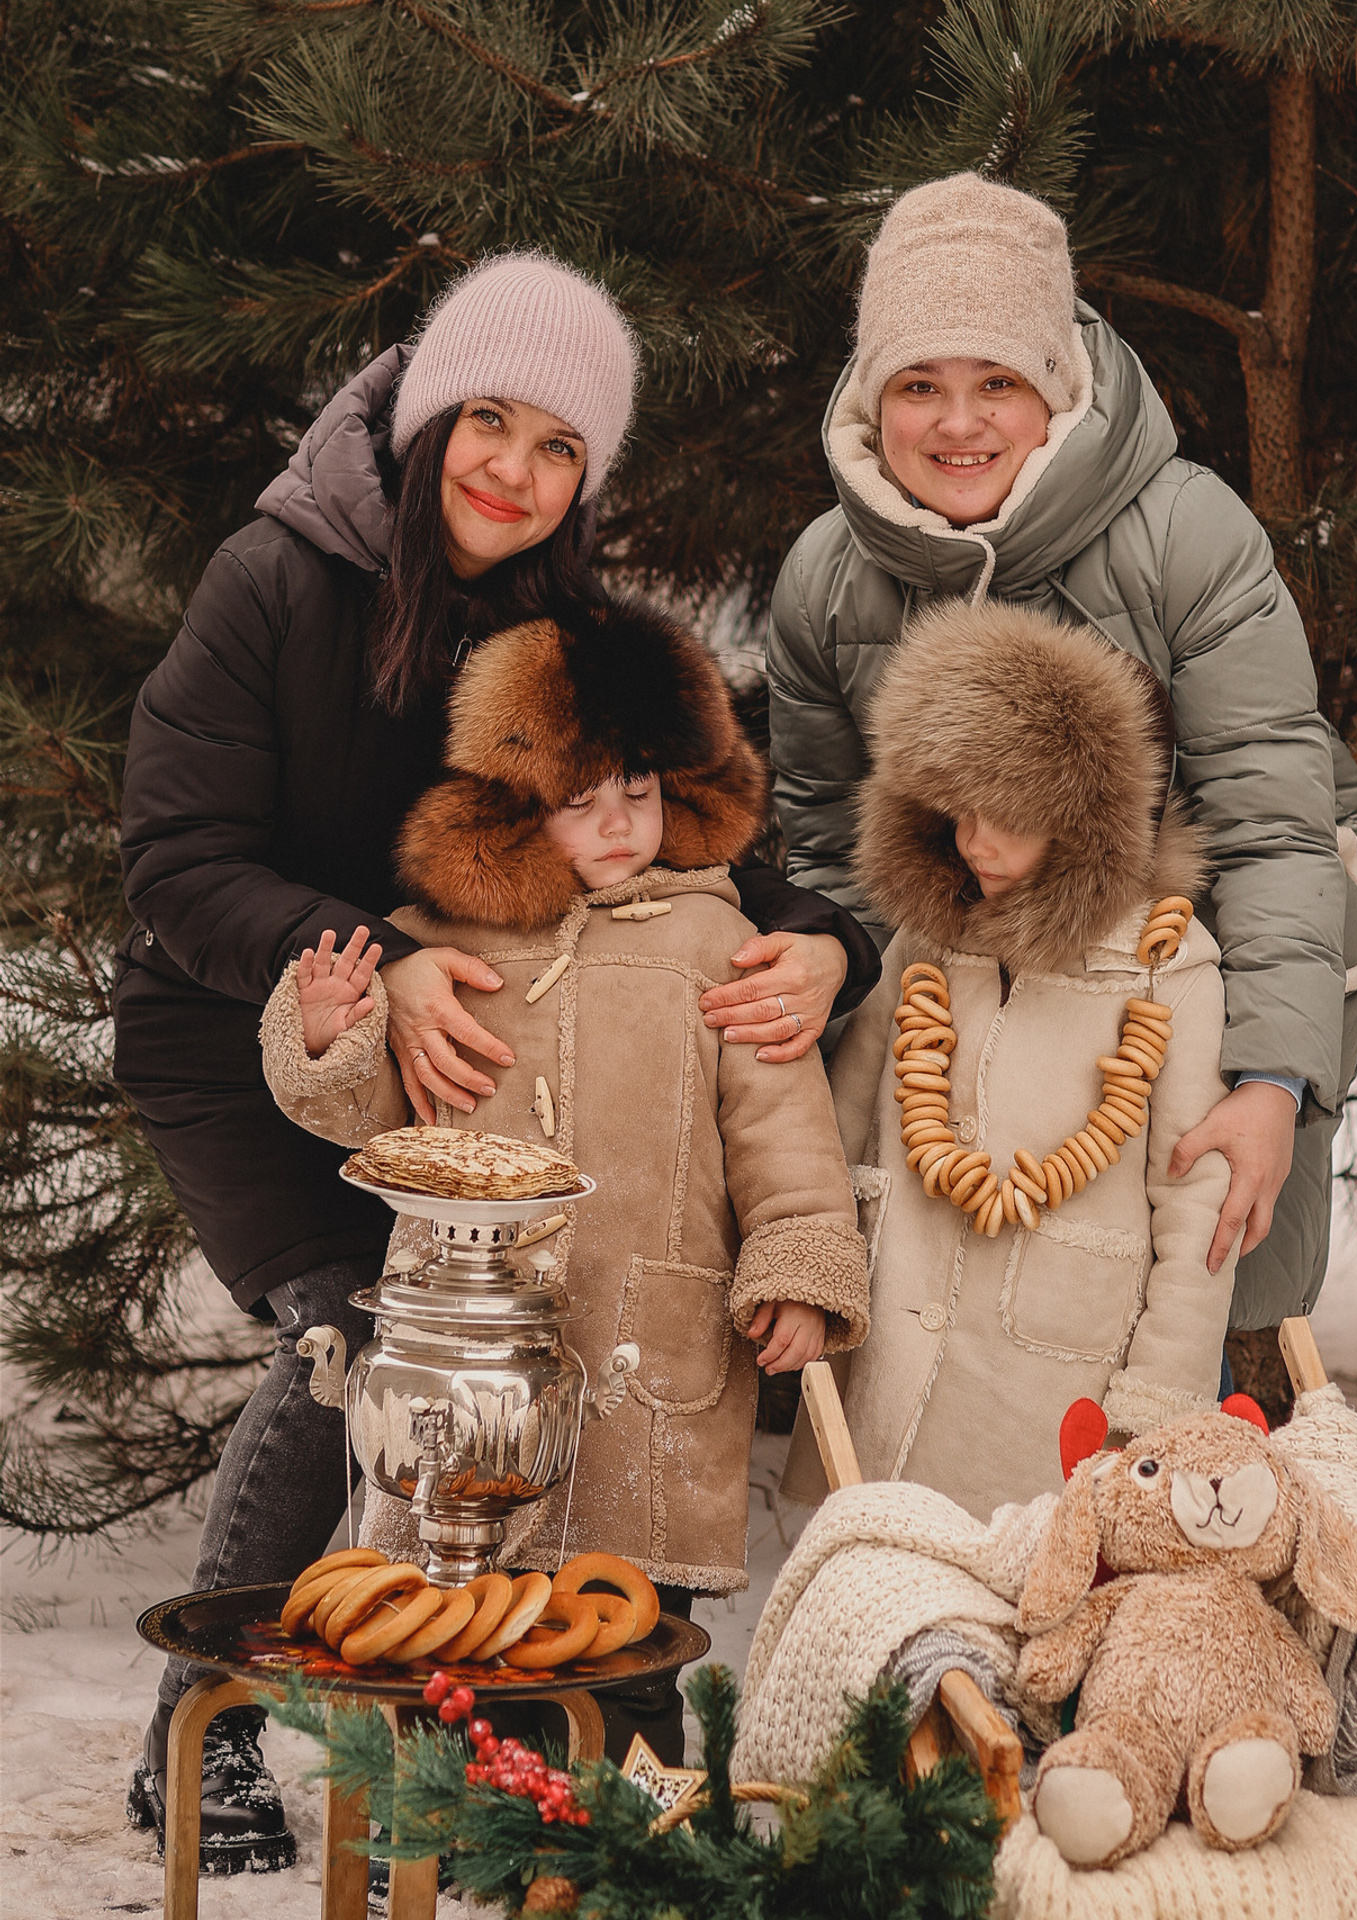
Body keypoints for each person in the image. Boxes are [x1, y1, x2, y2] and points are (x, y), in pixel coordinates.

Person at [114, 252, 878, 1869]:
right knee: (350, 1333)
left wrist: (830, 939)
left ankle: (494, 1717)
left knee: (508, 1359)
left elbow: (684, 815)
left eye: (558, 452)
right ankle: (209, 1729)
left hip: (476, 1032)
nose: (512, 472)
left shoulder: (559, 620)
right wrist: (375, 966)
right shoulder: (274, 577)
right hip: (242, 1011)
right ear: (426, 416)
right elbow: (175, 859)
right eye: (491, 423)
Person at [765, 173, 1357, 1372]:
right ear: (871, 396)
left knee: (1175, 1325)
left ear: (1057, 388)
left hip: (1189, 980)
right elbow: (834, 851)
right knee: (966, 1340)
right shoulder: (827, 581)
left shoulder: (1184, 537)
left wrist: (1272, 1081)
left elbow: (1273, 828)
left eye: (998, 380)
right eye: (920, 385)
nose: (960, 424)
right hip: (975, 995)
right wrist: (827, 972)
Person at [259, 594, 870, 1764]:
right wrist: (337, 1038)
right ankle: (436, 1829)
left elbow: (784, 1134)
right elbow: (373, 1125)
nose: (619, 825)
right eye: (581, 801)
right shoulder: (445, 945)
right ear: (513, 808)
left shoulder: (717, 942)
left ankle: (633, 1845)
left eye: (638, 793)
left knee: (630, 1645)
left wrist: (800, 1264)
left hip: (653, 1350)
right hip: (465, 1359)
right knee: (450, 1627)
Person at [790, 601, 1235, 1517]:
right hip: (887, 1374)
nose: (974, 843)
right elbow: (837, 1136)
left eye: (1009, 816)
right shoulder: (922, 941)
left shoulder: (1166, 969)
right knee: (874, 1604)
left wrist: (1152, 1404)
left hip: (1053, 1394)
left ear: (1087, 819)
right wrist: (813, 1278)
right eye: (957, 810)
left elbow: (1196, 1210)